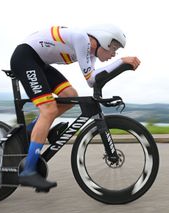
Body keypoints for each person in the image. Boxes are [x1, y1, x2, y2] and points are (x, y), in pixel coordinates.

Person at [10, 24, 141, 191]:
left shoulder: (90, 53)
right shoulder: (82, 39)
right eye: (113, 48)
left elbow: (92, 80)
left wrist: (121, 66)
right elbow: (93, 78)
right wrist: (122, 62)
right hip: (25, 58)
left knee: (70, 95)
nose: (113, 54)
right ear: (105, 40)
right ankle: (28, 171)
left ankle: (33, 130)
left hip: (38, 62)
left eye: (116, 52)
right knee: (48, 110)